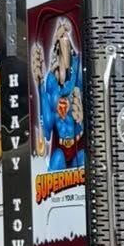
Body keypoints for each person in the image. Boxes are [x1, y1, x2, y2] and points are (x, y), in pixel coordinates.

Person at [39, 16, 84, 171]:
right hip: (61, 148)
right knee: (56, 161)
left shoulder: (77, 76)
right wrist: (40, 86)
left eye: (66, 45)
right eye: (59, 47)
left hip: (78, 145)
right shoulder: (51, 84)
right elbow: (47, 129)